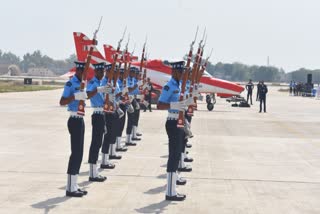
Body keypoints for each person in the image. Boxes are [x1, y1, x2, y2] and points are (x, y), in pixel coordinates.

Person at [157, 61, 193, 201]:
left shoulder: (179, 86)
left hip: (179, 121)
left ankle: (173, 188)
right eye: (181, 72)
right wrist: (175, 105)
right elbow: (160, 105)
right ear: (174, 72)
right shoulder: (169, 86)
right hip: (172, 122)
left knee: (177, 154)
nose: (183, 74)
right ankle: (170, 192)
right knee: (173, 156)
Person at [59, 61, 88, 197]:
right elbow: (62, 101)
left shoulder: (83, 83)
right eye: (83, 72)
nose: (84, 74)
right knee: (75, 153)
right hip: (74, 120)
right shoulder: (70, 83)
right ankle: (70, 188)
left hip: (80, 119)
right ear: (78, 71)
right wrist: (75, 96)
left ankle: (74, 185)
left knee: (80, 153)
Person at [86, 62, 110, 182]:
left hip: (102, 114)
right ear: (96, 72)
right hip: (96, 114)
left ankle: (94, 171)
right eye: (100, 72)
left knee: (98, 143)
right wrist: (99, 89)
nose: (102, 74)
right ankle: (92, 172)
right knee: (95, 143)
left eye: (103, 72)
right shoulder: (93, 83)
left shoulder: (100, 83)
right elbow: (88, 94)